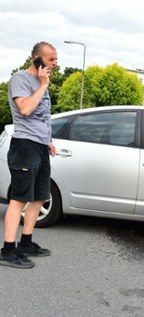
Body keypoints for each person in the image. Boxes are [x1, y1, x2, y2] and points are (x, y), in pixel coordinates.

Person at [0, 41, 57, 269]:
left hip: (40, 146)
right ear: (37, 59)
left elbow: (43, 117)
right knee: (19, 199)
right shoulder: (20, 79)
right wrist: (42, 85)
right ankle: (7, 250)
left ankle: (26, 243)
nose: (55, 63)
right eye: (51, 58)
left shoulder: (42, 82)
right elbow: (24, 110)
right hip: (25, 146)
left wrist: (49, 141)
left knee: (39, 196)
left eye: (55, 58)